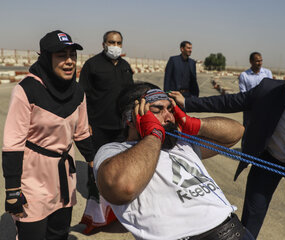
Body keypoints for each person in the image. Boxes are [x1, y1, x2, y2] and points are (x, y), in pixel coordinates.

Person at [170, 55, 285, 240]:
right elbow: (231, 102)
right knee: (252, 216)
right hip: (268, 160)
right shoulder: (269, 90)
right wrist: (187, 102)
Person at [93, 82, 255, 240]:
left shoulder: (181, 143)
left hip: (234, 231)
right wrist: (153, 135)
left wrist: (196, 124)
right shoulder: (114, 151)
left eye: (170, 109)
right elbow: (122, 187)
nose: (169, 117)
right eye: (158, 110)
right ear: (131, 117)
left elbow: (235, 132)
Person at [2, 30, 94, 240]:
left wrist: (93, 165)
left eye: (72, 55)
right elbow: (13, 143)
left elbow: (81, 132)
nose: (70, 61)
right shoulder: (26, 90)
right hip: (33, 179)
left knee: (59, 233)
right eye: (61, 55)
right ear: (45, 58)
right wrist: (13, 189)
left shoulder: (78, 92)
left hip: (64, 179)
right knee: (32, 234)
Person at [79, 30, 134, 233]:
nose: (115, 46)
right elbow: (81, 96)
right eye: (111, 42)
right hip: (97, 127)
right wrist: (85, 123)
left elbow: (131, 96)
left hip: (120, 128)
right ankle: (95, 211)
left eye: (118, 42)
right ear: (104, 44)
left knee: (120, 168)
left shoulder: (126, 67)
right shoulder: (92, 66)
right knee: (96, 169)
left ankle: (116, 207)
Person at [239, 52, 273, 127]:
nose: (260, 63)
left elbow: (271, 89)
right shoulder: (244, 75)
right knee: (247, 131)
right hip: (249, 108)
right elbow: (243, 93)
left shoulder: (267, 73)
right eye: (257, 61)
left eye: (261, 60)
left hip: (264, 107)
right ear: (251, 62)